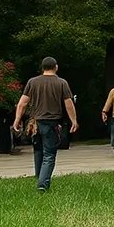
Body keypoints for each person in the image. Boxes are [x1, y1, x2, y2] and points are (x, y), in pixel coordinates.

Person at [12, 57, 78, 192]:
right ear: (56, 67)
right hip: (51, 123)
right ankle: (42, 184)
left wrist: (17, 120)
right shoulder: (61, 83)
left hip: (35, 124)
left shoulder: (32, 82)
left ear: (42, 68)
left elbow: (22, 103)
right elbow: (69, 104)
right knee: (49, 154)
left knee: (38, 151)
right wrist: (74, 121)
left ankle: (39, 177)